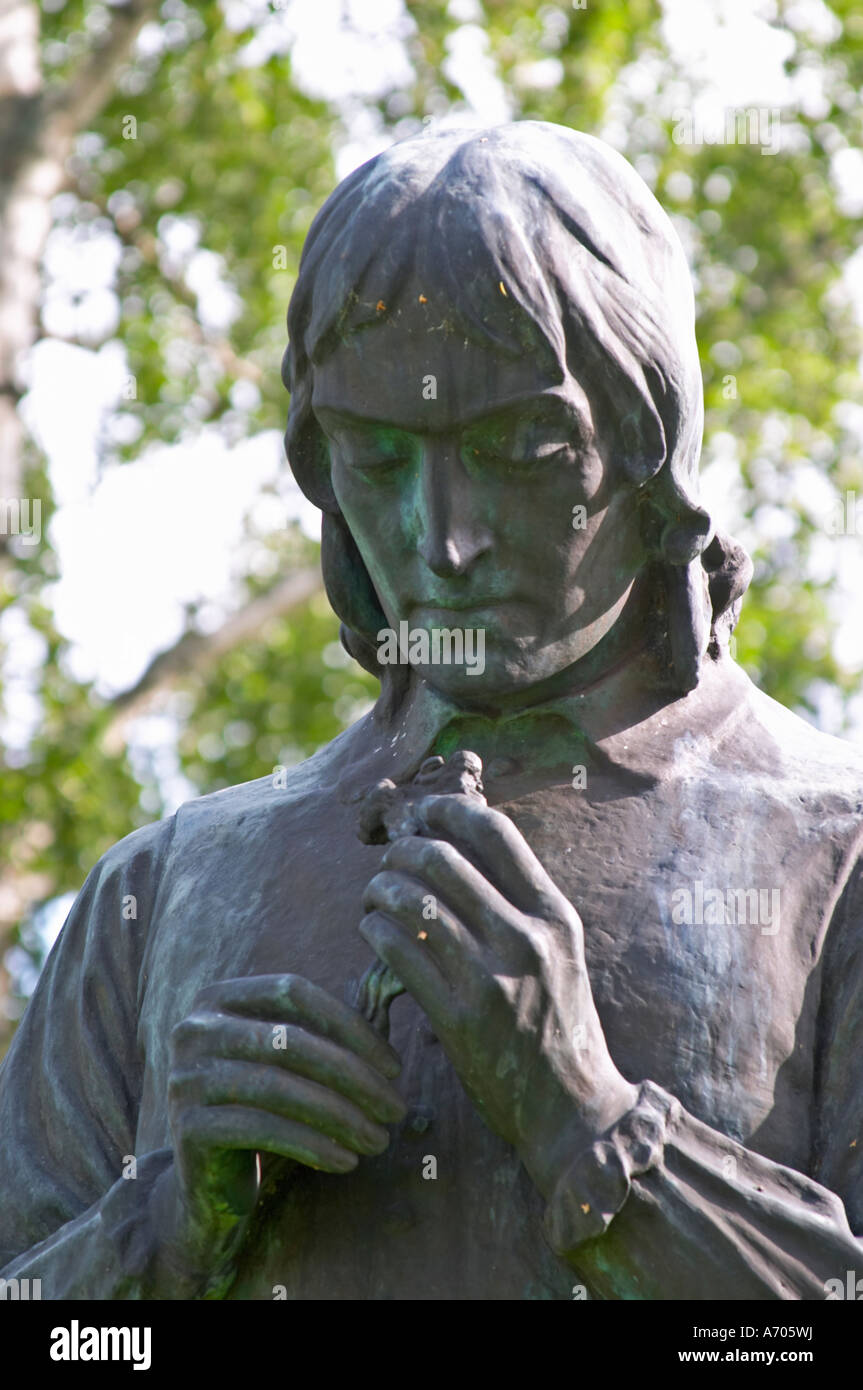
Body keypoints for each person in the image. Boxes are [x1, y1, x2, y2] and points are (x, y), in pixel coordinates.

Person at [1, 122, 862, 1300]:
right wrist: (169, 1231)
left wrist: (590, 1128)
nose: (441, 540)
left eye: (522, 446)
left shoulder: (835, 860)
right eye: (377, 455)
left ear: (653, 442)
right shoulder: (161, 895)